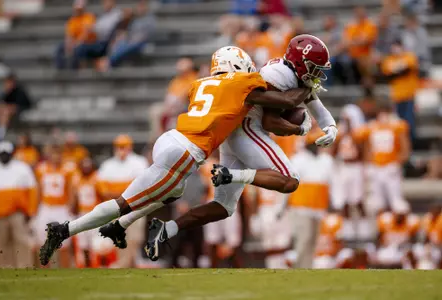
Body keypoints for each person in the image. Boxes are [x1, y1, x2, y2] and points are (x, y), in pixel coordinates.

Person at [38, 46, 312, 265]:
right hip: (186, 152)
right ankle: (65, 230)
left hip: (170, 138)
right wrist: (308, 88)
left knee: (172, 192)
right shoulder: (243, 83)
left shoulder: (198, 84)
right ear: (238, 66)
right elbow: (285, 102)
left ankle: (120, 226)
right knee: (125, 203)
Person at [143, 35, 338, 261]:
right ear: (300, 62)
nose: (316, 74)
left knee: (223, 207)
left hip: (237, 133)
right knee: (289, 180)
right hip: (247, 129)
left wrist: (330, 125)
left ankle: (166, 229)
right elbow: (271, 121)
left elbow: (311, 99)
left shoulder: (289, 72)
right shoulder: (279, 75)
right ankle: (231, 175)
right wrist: (301, 130)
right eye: (313, 68)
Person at [96, 134, 148, 268]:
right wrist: (122, 193)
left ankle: (126, 263)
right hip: (116, 208)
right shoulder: (108, 165)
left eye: (124, 146)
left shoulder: (139, 162)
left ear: (130, 147)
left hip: (135, 207)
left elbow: (139, 187)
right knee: (120, 238)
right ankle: (125, 264)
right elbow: (103, 190)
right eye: (119, 147)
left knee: (135, 238)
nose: (121, 149)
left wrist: (116, 193)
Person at [354, 101, 411, 214]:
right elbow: (363, 144)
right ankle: (381, 227)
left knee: (396, 201)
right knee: (376, 202)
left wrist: (397, 163)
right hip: (376, 167)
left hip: (391, 167)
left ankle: (397, 227)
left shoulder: (397, 126)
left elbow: (405, 148)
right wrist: (368, 165)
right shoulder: (370, 127)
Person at [288, 136, 334, 268]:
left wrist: (333, 204)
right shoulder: (298, 160)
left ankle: (308, 267)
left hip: (319, 208)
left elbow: (330, 185)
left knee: (313, 241)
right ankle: (299, 267)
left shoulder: (326, 161)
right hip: (301, 207)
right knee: (303, 240)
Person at [0, 141, 37, 268]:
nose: (4, 156)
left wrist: (31, 211)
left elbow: (33, 190)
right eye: (2, 154)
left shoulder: (22, 168)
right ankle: (6, 267)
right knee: (1, 243)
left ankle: (25, 266)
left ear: (12, 154)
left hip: (18, 213)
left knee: (22, 241)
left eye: (6, 153)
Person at [34, 144, 76, 267]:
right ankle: (45, 268)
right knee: (42, 241)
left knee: (64, 242)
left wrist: (70, 206)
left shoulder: (68, 169)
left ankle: (65, 269)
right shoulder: (41, 169)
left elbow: (71, 189)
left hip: (61, 207)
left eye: (58, 154)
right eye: (53, 153)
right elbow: (38, 189)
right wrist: (36, 209)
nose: (55, 157)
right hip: (46, 207)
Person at [332, 104, 368, 240]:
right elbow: (334, 151)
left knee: (358, 199)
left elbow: (361, 151)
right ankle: (347, 229)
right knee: (345, 200)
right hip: (344, 167)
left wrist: (351, 132)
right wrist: (340, 136)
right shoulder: (340, 133)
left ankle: (363, 229)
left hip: (356, 167)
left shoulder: (359, 133)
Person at [380, 39, 419, 142]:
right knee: (399, 123)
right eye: (394, 47)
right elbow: (388, 73)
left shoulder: (409, 56)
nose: (395, 49)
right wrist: (399, 67)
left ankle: (411, 145)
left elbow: (407, 69)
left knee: (409, 122)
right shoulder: (389, 59)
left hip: (409, 95)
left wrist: (396, 69)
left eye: (397, 46)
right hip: (396, 97)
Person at [149, 57, 198, 139]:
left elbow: (185, 96)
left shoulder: (194, 78)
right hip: (171, 105)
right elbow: (169, 94)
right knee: (155, 110)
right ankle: (159, 137)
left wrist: (174, 104)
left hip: (184, 106)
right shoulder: (176, 80)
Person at [99, 0, 155, 71]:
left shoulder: (150, 19)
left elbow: (147, 35)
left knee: (129, 45)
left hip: (143, 43)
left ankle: (109, 62)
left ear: (146, 7)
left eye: (142, 6)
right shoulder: (135, 20)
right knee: (120, 42)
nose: (140, 8)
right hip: (132, 41)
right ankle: (109, 61)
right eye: (139, 6)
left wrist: (134, 39)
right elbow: (129, 32)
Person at [71, 157, 102, 268]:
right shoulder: (77, 179)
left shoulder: (97, 178)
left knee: (95, 243)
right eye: (84, 166)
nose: (86, 168)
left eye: (88, 166)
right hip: (82, 214)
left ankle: (97, 265)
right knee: (83, 243)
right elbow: (75, 199)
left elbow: (102, 196)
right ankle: (87, 265)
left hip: (94, 213)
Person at [73, 0, 122, 68]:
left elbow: (107, 29)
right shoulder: (104, 15)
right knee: (80, 48)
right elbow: (95, 27)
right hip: (99, 42)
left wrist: (92, 29)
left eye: (107, 2)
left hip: (107, 43)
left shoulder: (117, 14)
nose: (105, 4)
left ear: (112, 2)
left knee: (82, 48)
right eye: (104, 2)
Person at [55, 0, 96, 69]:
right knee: (60, 48)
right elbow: (69, 35)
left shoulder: (89, 17)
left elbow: (86, 34)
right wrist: (68, 44)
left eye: (80, 9)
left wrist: (76, 43)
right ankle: (60, 69)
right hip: (76, 42)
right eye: (77, 9)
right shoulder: (73, 20)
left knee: (78, 49)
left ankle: (74, 69)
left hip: (88, 42)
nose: (78, 10)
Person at [0, 74, 32, 140]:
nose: (8, 84)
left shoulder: (19, 91)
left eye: (9, 82)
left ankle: (0, 136)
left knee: (5, 112)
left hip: (22, 109)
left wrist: (5, 106)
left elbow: (17, 105)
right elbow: (0, 102)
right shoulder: (6, 92)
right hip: (6, 109)